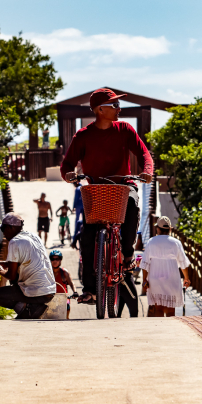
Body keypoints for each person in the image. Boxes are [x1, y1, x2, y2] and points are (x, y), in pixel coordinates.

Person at [61, 88, 154, 305]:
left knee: (132, 206)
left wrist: (147, 171)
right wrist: (68, 174)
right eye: (114, 105)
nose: (118, 109)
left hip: (124, 185)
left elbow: (144, 154)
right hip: (97, 189)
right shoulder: (83, 136)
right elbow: (67, 163)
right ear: (100, 110)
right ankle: (91, 290)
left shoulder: (125, 129)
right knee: (87, 236)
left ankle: (128, 256)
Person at [0, 213, 57, 319]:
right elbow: (29, 259)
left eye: (3, 229)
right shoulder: (33, 236)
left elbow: (11, 275)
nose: (3, 233)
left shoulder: (14, 242)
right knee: (17, 279)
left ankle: (29, 308)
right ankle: (30, 307)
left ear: (10, 227)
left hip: (36, 292)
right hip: (49, 291)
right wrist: (7, 263)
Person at [140, 216, 191, 317]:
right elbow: (183, 263)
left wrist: (145, 279)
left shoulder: (151, 241)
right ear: (170, 229)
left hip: (155, 280)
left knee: (158, 309)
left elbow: (145, 264)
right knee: (171, 311)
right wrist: (186, 278)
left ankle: (160, 330)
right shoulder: (176, 243)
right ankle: (170, 331)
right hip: (171, 279)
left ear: (158, 229)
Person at [49, 250, 77, 318]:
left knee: (67, 305)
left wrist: (75, 292)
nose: (55, 261)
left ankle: (66, 318)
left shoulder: (64, 272)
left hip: (63, 299)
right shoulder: (47, 273)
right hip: (50, 298)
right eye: (52, 259)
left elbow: (71, 283)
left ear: (60, 260)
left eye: (57, 259)